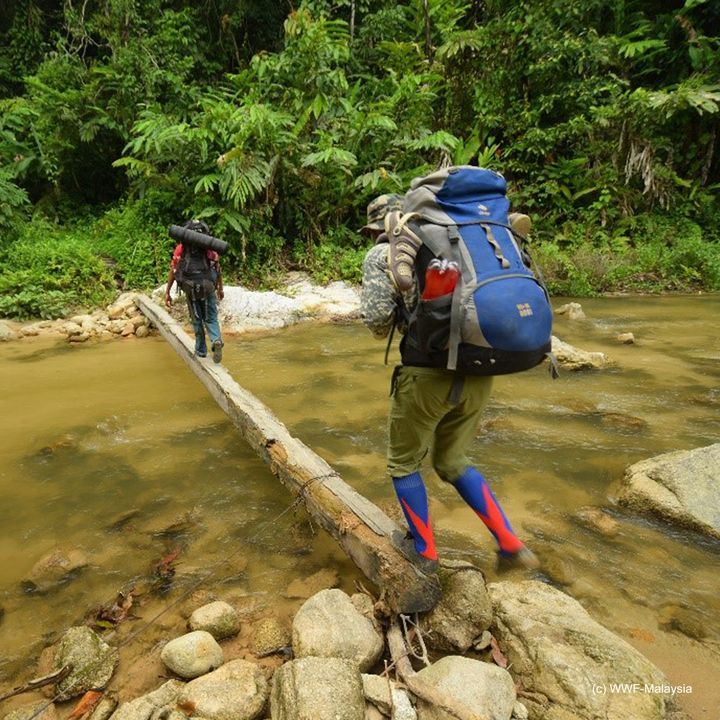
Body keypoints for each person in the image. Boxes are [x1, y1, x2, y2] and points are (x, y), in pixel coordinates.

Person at [360, 194, 539, 570]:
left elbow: (376, 321)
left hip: (426, 376)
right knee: (453, 460)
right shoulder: (461, 247)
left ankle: (424, 553)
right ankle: (510, 544)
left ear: (379, 227)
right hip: (480, 371)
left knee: (403, 464)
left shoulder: (382, 254)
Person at [165, 219, 225, 363]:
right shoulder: (209, 248)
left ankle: (201, 351)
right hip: (208, 285)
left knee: (196, 318)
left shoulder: (181, 248)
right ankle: (216, 340)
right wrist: (220, 288)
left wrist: (167, 292)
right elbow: (217, 269)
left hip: (189, 286)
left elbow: (173, 270)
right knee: (210, 316)